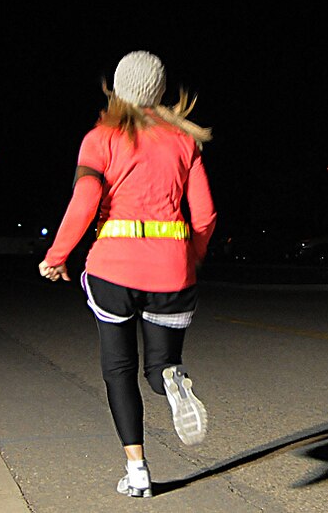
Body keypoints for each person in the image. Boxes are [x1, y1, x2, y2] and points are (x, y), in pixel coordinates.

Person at [39, 51, 217, 498]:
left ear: (117, 90)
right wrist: (191, 255)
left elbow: (84, 202)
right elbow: (206, 214)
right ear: (159, 91)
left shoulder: (100, 138)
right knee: (159, 369)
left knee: (118, 369)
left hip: (114, 269)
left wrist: (58, 255)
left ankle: (137, 472)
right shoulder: (184, 142)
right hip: (171, 271)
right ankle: (172, 379)